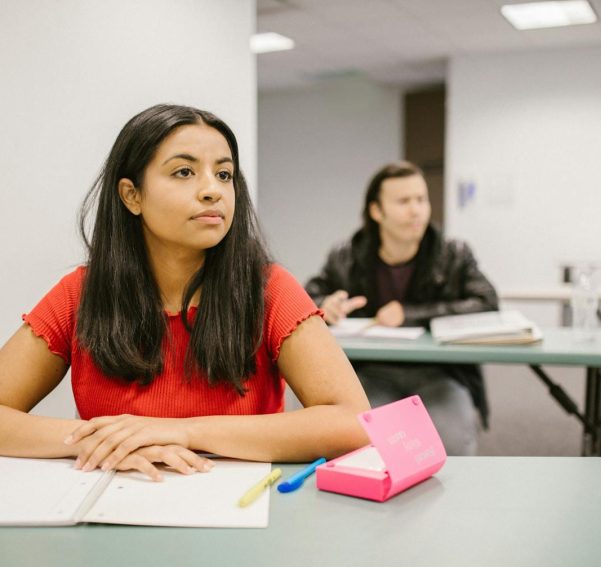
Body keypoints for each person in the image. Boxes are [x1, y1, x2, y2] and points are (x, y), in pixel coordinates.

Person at [0, 104, 370, 481]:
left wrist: (183, 431)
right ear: (132, 196)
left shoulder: (269, 289)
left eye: (224, 174)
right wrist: (97, 441)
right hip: (115, 511)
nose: (212, 191)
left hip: (239, 517)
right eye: (184, 172)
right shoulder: (79, 294)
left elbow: (352, 422)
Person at [306, 161, 498, 455]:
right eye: (404, 201)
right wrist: (324, 306)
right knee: (361, 444)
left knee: (453, 446)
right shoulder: (346, 256)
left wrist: (409, 315)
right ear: (376, 211)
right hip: (371, 373)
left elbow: (487, 302)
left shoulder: (453, 253)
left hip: (442, 372)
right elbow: (308, 299)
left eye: (421, 200)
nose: (416, 210)